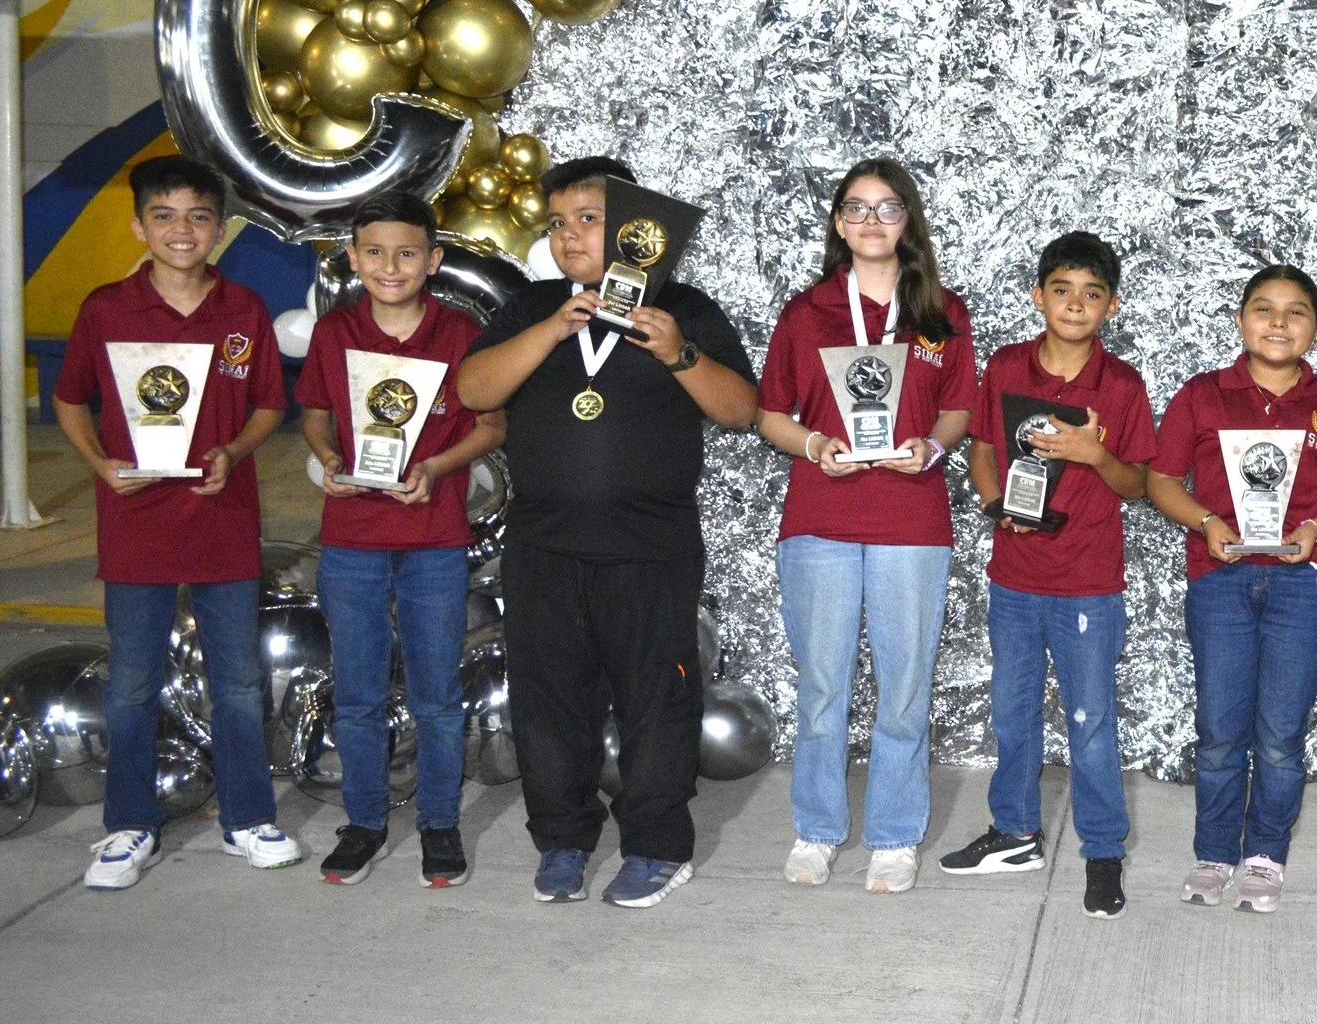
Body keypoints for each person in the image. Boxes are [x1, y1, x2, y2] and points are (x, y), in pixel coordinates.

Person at [458, 158, 757, 909]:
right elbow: (473, 389)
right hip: (544, 546)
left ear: (632, 226)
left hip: (650, 548)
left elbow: (739, 410)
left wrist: (677, 352)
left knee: (657, 701)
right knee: (549, 701)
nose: (569, 237)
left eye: (587, 219)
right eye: (557, 224)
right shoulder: (533, 305)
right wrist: (552, 327)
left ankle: (657, 846)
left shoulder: (683, 307)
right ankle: (562, 838)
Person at [62, 156, 301, 889]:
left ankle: (246, 818)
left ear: (220, 228)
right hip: (136, 522)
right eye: (163, 215)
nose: (182, 230)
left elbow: (270, 404)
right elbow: (70, 398)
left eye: (199, 216)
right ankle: (129, 825)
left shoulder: (243, 310)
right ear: (139, 226)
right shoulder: (106, 308)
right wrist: (101, 464)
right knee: (132, 684)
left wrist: (234, 450)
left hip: (222, 520)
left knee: (237, 683)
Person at [756, 159, 974, 894]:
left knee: (904, 686)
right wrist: (815, 443)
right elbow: (770, 414)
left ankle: (894, 834)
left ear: (907, 220)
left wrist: (933, 448)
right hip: (821, 516)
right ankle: (817, 828)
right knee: (823, 686)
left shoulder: (942, 312)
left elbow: (958, 409)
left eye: (887, 207)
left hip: (911, 520)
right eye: (857, 207)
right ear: (839, 223)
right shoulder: (806, 311)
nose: (872, 220)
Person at [1147, 265, 1317, 913]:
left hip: (1305, 581)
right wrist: (1205, 521)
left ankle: (1265, 854)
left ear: (1316, 327)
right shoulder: (1203, 395)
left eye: (1295, 311)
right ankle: (1214, 851)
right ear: (1241, 320)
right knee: (1220, 729)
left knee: (1279, 734)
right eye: (1263, 308)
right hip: (1220, 578)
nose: (1279, 322)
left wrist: (1316, 528)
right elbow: (1161, 479)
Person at [942, 232, 1156, 919]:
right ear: (1038, 296)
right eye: (1062, 290)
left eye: (1092, 294)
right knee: (1013, 710)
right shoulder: (1007, 365)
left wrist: (1094, 453)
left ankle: (1103, 848)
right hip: (1015, 575)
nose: (1075, 304)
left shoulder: (1121, 385)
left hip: (1087, 579)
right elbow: (981, 448)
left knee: (1090, 720)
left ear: (1111, 306)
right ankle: (1015, 832)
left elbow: (1138, 484)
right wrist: (994, 505)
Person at [297, 191, 507, 886]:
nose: (391, 266)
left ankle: (439, 823)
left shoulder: (459, 334)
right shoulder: (336, 331)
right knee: (357, 692)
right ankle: (363, 822)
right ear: (353, 258)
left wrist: (437, 468)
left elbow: (492, 425)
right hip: (352, 535)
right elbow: (315, 412)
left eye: (408, 253)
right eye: (376, 252)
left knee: (436, 695)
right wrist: (328, 456)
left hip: (433, 537)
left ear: (433, 260)